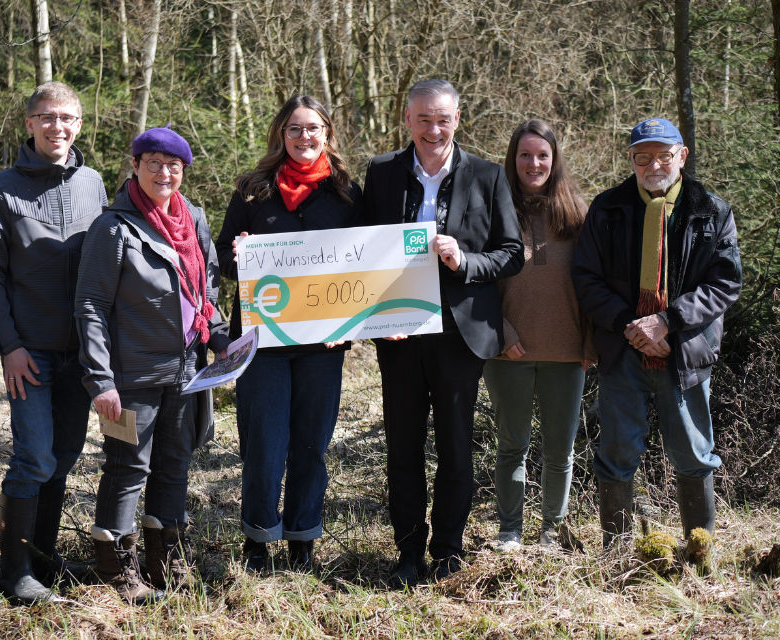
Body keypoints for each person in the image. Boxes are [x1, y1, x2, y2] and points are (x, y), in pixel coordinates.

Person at [362, 79, 524, 586]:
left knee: (456, 448)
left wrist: (465, 260)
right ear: (407, 119)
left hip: (460, 333)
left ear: (458, 119)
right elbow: (359, 249)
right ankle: (408, 553)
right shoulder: (382, 172)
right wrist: (375, 316)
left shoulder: (487, 175)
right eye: (424, 119)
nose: (434, 129)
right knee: (403, 448)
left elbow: (512, 253)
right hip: (399, 332)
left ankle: (449, 550)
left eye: (443, 119)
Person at [75, 127, 230, 601]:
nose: (164, 173)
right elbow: (90, 306)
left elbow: (206, 291)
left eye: (174, 166)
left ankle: (166, 562)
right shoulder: (114, 227)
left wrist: (222, 338)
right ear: (136, 166)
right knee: (127, 468)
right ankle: (116, 570)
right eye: (154, 164)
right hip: (129, 377)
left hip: (186, 370)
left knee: (175, 466)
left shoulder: (193, 218)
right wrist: (101, 380)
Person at [572, 118, 741, 550]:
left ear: (682, 156)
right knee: (617, 453)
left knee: (694, 454)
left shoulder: (711, 210)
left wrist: (667, 322)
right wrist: (631, 325)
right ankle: (617, 556)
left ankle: (700, 555)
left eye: (663, 156)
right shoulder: (607, 208)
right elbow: (586, 278)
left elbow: (725, 282)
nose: (653, 166)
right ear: (631, 160)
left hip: (684, 352)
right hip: (623, 351)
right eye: (642, 157)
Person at [216, 95, 362, 573]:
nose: (304, 137)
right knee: (264, 444)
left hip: (323, 343)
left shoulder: (347, 193)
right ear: (281, 134)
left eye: (313, 128)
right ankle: (258, 541)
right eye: (295, 128)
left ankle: (302, 540)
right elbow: (221, 259)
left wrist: (353, 322)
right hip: (263, 343)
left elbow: (367, 264)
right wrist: (240, 254)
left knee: (311, 446)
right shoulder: (252, 191)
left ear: (327, 133)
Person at [0, 82, 108, 603]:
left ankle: (44, 561)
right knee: (34, 458)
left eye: (67, 118)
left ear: (79, 125)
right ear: (29, 124)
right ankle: (15, 573)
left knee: (65, 456)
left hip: (82, 353)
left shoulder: (93, 183)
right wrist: (9, 346)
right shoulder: (1, 190)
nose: (58, 127)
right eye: (47, 117)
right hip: (29, 353)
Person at [483, 119, 595, 553]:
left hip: (566, 351)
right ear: (513, 159)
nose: (534, 163)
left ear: (555, 159)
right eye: (525, 155)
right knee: (512, 446)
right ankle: (510, 531)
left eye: (542, 155)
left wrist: (589, 343)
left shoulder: (577, 214)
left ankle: (552, 532)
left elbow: (594, 284)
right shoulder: (493, 210)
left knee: (559, 450)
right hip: (507, 350)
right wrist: (501, 330)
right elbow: (476, 282)